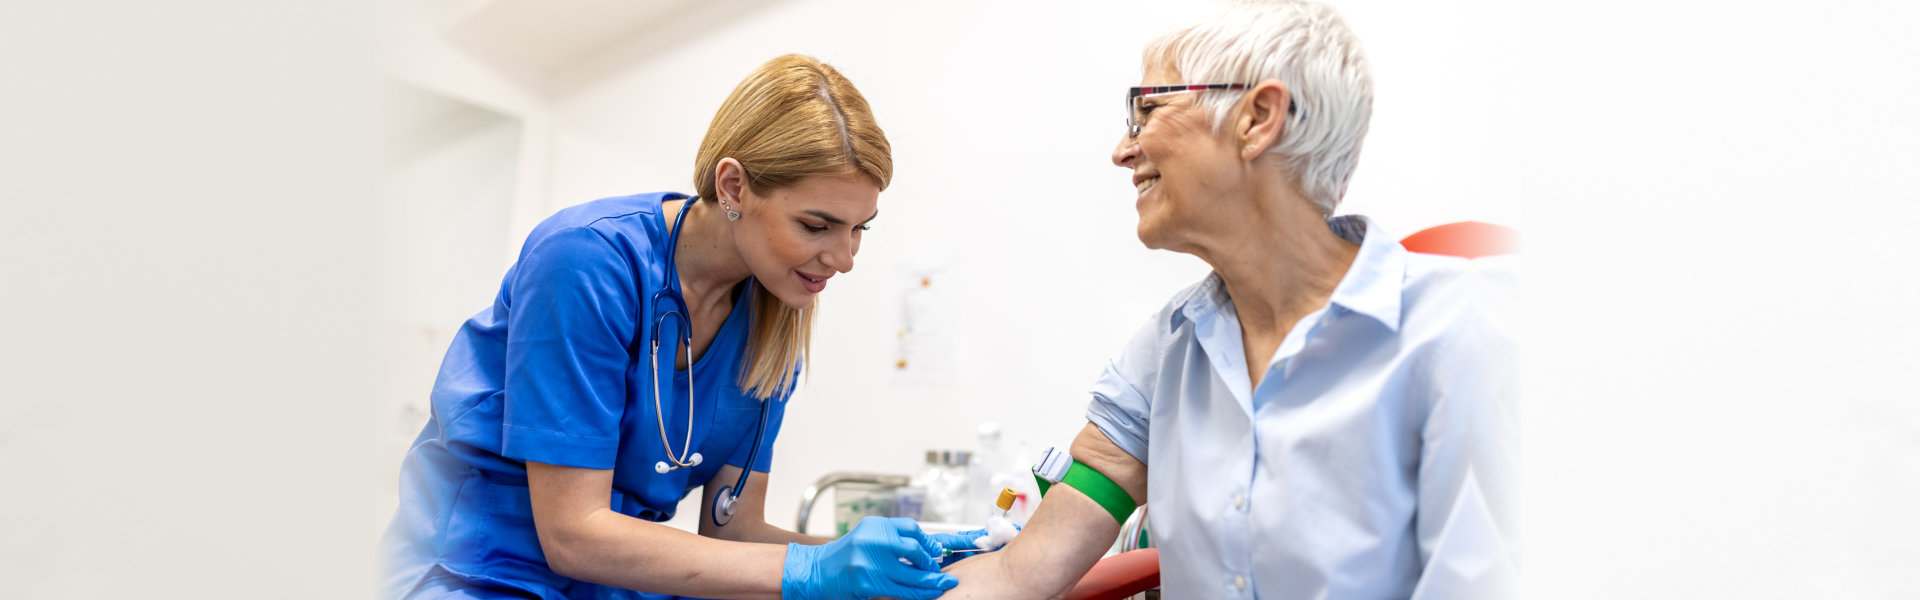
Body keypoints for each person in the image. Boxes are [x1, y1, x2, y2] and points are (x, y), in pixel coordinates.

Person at [940, 1, 1518, 598]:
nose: (1122, 149)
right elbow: (1018, 575)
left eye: (1148, 110)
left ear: (1257, 118)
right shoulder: (1170, 346)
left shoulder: (1463, 332)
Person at [378, 54, 990, 600]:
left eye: (860, 229)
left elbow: (737, 532)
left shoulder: (772, 317)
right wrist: (816, 571)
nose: (846, 257)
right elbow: (574, 533)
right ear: (733, 186)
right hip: (479, 575)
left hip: (616, 586)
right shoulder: (586, 262)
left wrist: (889, 563)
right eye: (817, 225)